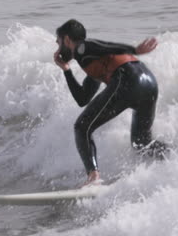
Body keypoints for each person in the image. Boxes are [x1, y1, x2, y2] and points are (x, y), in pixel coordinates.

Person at [53, 19, 166, 186]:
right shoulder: (93, 62)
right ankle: (175, 157)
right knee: (141, 143)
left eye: (59, 41)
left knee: (82, 127)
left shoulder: (82, 48)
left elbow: (103, 46)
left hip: (128, 79)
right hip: (149, 83)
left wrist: (135, 50)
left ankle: (93, 177)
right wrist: (66, 70)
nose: (58, 47)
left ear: (68, 40)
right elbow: (82, 98)